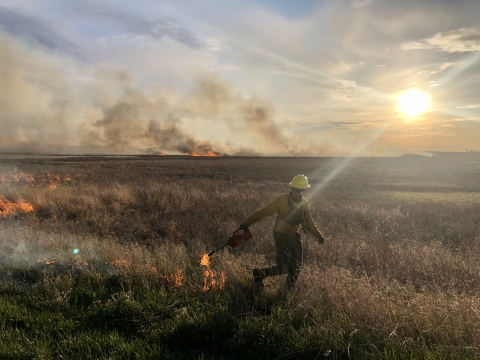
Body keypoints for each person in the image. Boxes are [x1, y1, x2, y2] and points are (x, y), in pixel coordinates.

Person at [239, 174, 325, 292]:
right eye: (295, 189)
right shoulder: (281, 200)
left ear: (303, 190)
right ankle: (259, 274)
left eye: (300, 189)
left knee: (296, 265)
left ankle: (288, 289)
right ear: (292, 188)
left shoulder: (304, 203)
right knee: (283, 268)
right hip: (281, 235)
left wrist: (318, 236)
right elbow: (264, 212)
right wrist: (247, 223)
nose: (297, 192)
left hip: (295, 236)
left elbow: (309, 222)